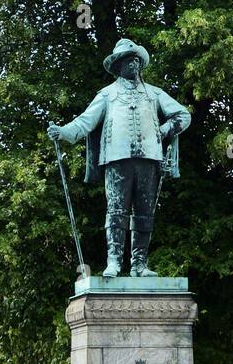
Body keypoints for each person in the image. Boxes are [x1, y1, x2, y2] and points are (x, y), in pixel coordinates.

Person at [48, 38, 191, 277]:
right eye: (129, 60)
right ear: (119, 65)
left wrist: (164, 130)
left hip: (149, 159)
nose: (134, 64)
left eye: (136, 60)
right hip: (116, 160)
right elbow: (85, 122)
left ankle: (139, 264)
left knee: (145, 212)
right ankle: (113, 261)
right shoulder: (107, 94)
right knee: (116, 211)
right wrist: (63, 132)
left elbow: (183, 115)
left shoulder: (154, 93)